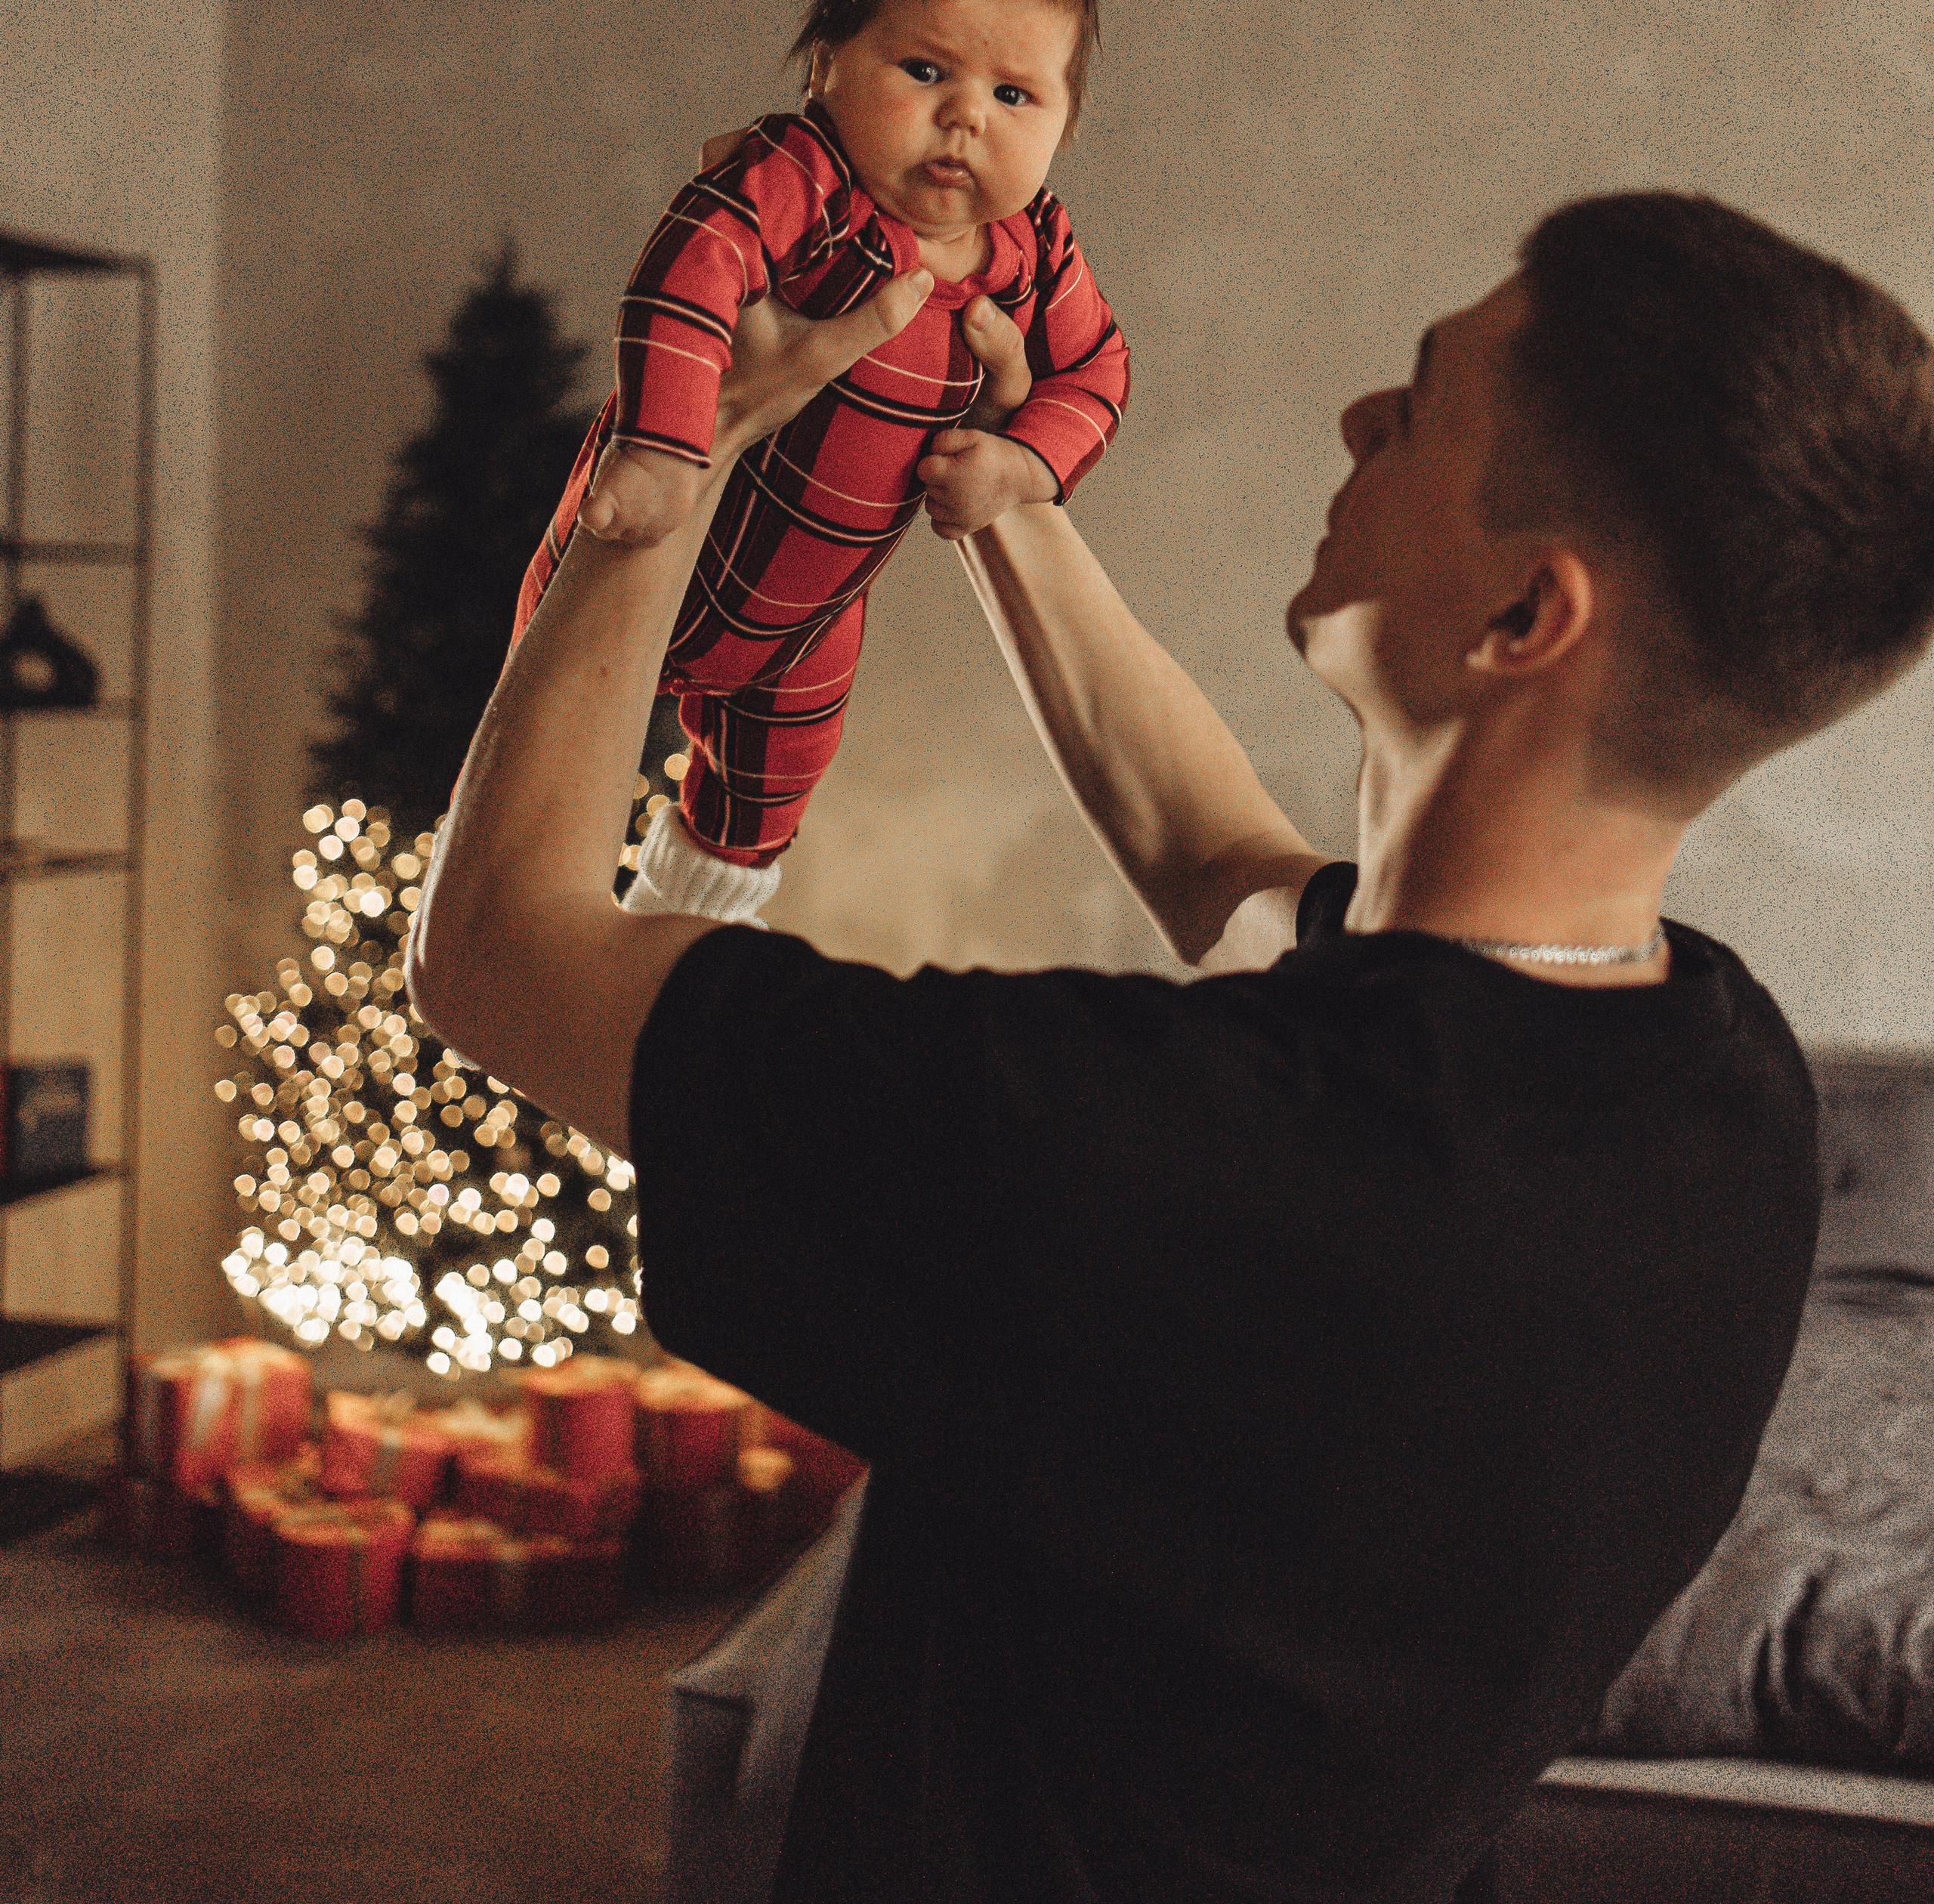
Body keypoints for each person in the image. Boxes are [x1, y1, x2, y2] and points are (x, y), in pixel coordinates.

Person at [410, 190, 1934, 1902]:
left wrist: (674, 457)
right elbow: (1223, 864)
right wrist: (1002, 501)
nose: (1361, 419)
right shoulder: (1713, 1079)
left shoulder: (1145, 1145)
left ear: (1527, 616)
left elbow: (497, 955)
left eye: (1420, 401)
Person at [511, 0, 1129, 924]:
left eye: (1016, 96)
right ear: (826, 63)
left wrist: (1022, 461)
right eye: (926, 68)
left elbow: (1097, 372)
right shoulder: (805, 181)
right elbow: (689, 270)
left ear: (1065, 128)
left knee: (768, 789)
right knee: (559, 722)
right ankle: (541, 911)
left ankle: (680, 929)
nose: (965, 116)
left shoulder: (1035, 253)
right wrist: (664, 450)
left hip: (808, 621)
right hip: (667, 543)